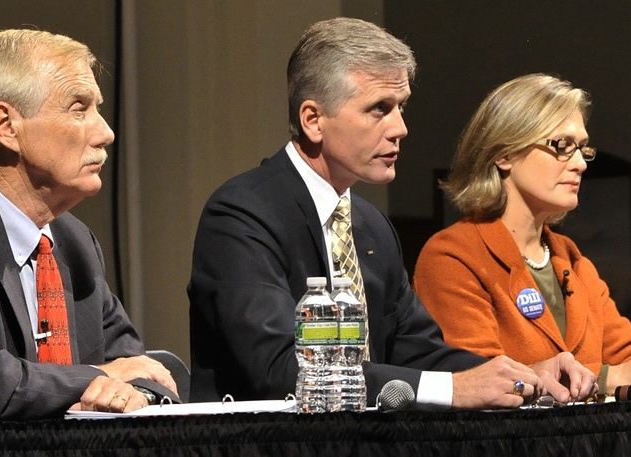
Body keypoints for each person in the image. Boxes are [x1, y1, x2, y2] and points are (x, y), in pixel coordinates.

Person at [188, 18, 596, 409]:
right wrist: (455, 389)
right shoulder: (241, 215)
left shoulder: (370, 226)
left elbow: (419, 352)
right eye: (379, 108)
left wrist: (525, 376)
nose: (400, 128)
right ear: (313, 120)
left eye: (401, 106)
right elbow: (282, 370)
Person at [0, 29, 179, 420]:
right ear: (6, 126)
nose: (106, 132)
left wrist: (130, 389)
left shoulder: (74, 242)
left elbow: (144, 370)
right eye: (78, 108)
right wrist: (101, 377)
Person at [413, 73, 631, 397]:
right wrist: (612, 377)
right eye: (563, 146)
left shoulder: (570, 257)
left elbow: (628, 357)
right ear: (505, 154)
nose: (580, 163)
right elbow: (480, 380)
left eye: (582, 149)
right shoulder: (453, 256)